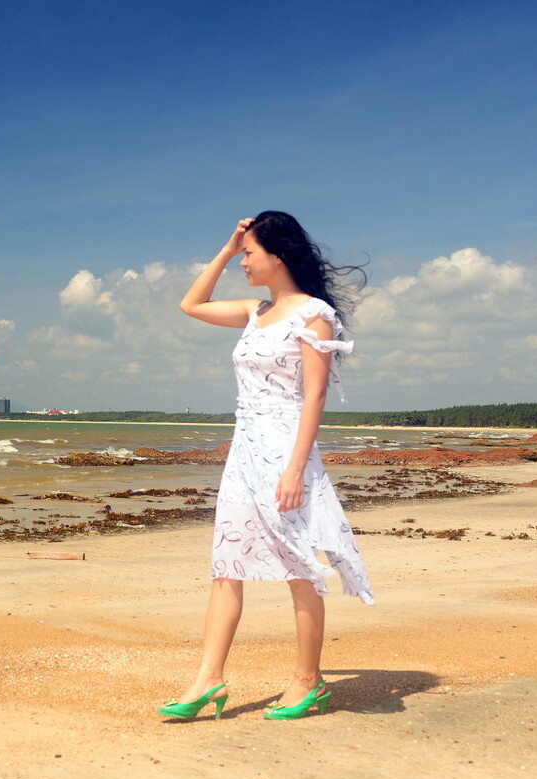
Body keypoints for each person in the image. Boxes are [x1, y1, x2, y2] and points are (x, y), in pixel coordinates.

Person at [157, 211, 374, 722]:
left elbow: (315, 396)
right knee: (226, 566)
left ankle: (307, 680)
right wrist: (228, 246)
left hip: (286, 452)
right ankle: (208, 679)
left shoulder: (313, 314)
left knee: (300, 567)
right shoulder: (256, 311)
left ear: (278, 254)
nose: (244, 264)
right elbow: (191, 304)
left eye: (251, 254)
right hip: (244, 452)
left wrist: (296, 470)